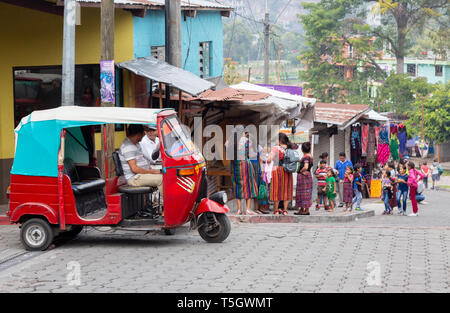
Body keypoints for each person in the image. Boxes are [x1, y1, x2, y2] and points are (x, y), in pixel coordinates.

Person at [118, 124, 163, 194]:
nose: (144, 136)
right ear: (139, 134)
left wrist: (153, 170)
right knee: (161, 179)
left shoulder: (136, 144)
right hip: (134, 178)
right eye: (143, 133)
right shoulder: (128, 147)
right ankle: (166, 204)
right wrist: (153, 172)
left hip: (140, 175)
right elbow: (134, 169)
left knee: (166, 176)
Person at [230, 128, 258, 215]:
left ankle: (239, 210)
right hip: (245, 164)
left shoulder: (231, 142)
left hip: (235, 165)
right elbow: (251, 150)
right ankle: (248, 209)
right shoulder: (246, 140)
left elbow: (226, 145)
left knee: (238, 185)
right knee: (248, 185)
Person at [270, 133, 294, 215]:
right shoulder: (290, 148)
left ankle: (276, 210)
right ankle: (285, 210)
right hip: (288, 171)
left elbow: (269, 159)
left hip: (277, 170)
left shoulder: (276, 148)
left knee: (276, 189)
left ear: (279, 140)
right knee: (286, 189)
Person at [294, 142, 314, 216]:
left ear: (302, 149)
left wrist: (301, 171)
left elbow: (306, 166)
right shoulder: (310, 156)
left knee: (302, 193)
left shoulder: (306, 157)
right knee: (306, 192)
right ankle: (303, 209)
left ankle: (305, 210)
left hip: (303, 177)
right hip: (308, 176)